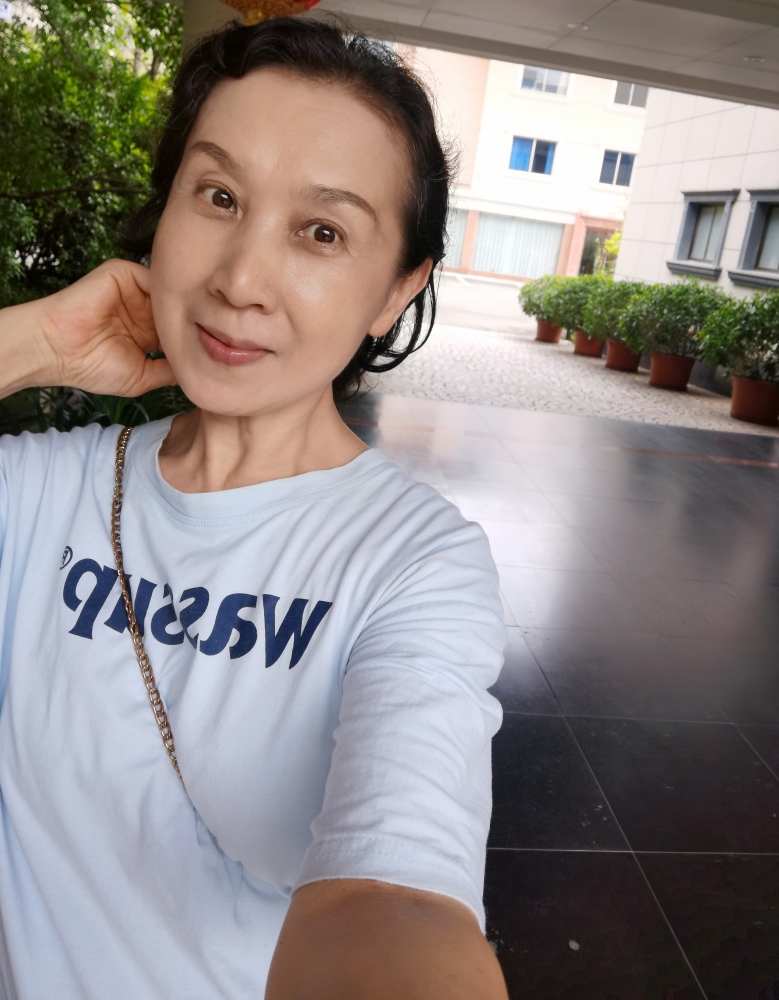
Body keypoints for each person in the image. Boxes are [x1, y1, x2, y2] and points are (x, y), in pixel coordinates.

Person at [0, 17, 508, 1000]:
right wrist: (34, 344)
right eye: (219, 196)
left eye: (322, 232)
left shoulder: (413, 563)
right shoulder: (39, 494)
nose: (239, 281)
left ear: (396, 290)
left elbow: (396, 894)